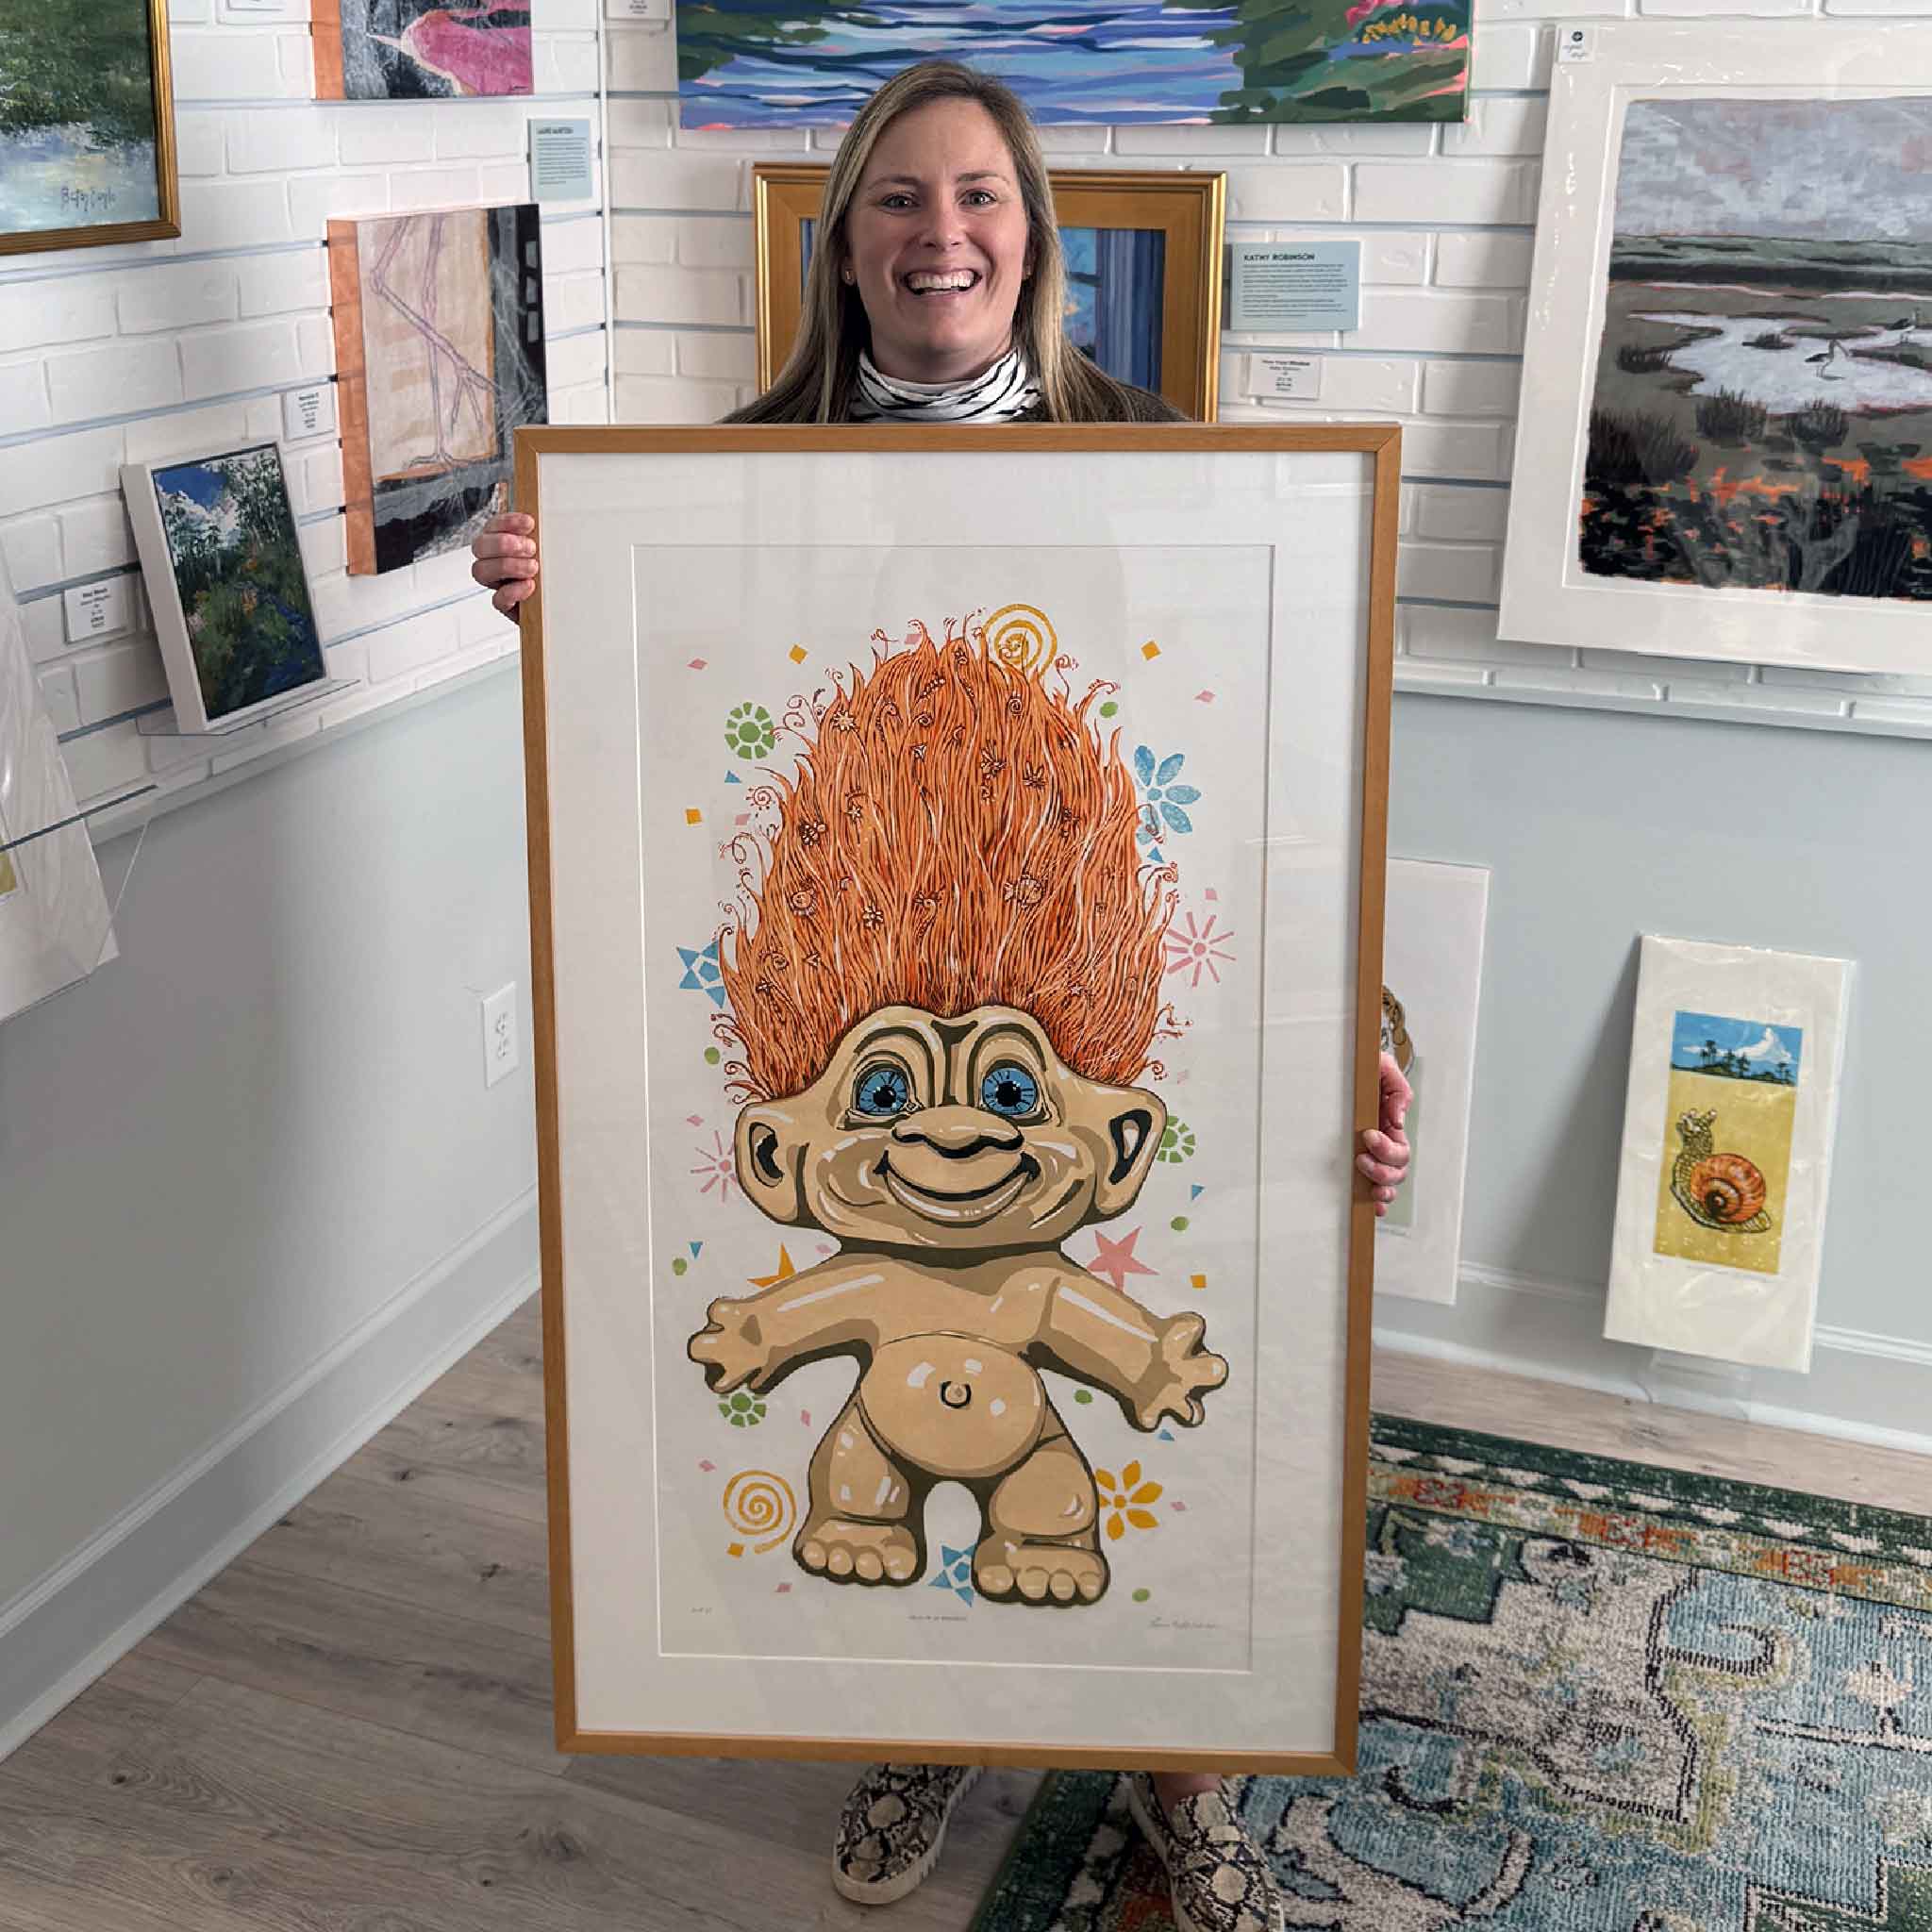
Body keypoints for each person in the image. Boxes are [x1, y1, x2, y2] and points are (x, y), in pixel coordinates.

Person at [475, 58, 1411, 1932]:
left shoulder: (1171, 460)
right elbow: (668, 782)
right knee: (885, 1434)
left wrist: (1367, 1039)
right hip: (862, 1032)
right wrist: (555, 602)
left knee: (1164, 1428)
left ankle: (1179, 1780)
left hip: (1075, 1023)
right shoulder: (722, 483)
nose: (941, 234)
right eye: (899, 199)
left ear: (1033, 234)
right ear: (843, 244)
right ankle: (917, 1723)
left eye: (979, 196)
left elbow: (1263, 801)